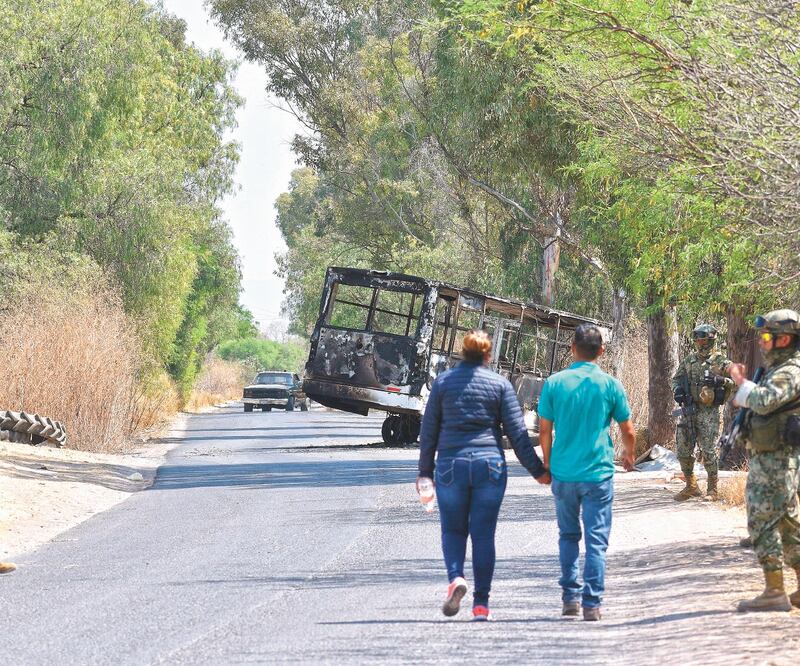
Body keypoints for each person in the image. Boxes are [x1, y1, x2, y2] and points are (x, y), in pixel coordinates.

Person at [417, 329, 550, 621]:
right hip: (489, 467)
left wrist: (425, 473)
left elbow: (428, 433)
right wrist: (538, 471)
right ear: (488, 355)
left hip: (451, 465)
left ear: (462, 351)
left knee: (453, 530)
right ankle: (481, 606)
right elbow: (518, 436)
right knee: (483, 535)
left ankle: (456, 577)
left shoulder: (442, 383)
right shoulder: (500, 385)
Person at [537, 324, 636, 621]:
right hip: (598, 475)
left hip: (564, 473)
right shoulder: (610, 385)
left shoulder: (554, 383)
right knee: (596, 540)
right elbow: (628, 429)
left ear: (572, 348)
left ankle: (570, 599)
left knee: (568, 536)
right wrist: (628, 453)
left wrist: (547, 464)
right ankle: (592, 603)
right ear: (601, 351)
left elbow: (545, 430)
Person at [730, 309, 800, 612]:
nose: (762, 341)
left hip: (777, 461)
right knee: (787, 525)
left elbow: (764, 401)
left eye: (767, 336)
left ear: (784, 339)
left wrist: (741, 383)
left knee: (761, 522)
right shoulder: (779, 369)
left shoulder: (789, 372)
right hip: (773, 459)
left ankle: (774, 592)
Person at [671, 324, 734, 501]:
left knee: (708, 451)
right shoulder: (689, 360)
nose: (700, 342)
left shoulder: (722, 362)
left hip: (709, 412)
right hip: (689, 410)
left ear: (711, 340)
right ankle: (691, 486)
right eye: (697, 339)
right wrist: (677, 390)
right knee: (683, 449)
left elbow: (737, 382)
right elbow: (676, 379)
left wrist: (721, 380)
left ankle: (712, 490)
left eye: (703, 339)